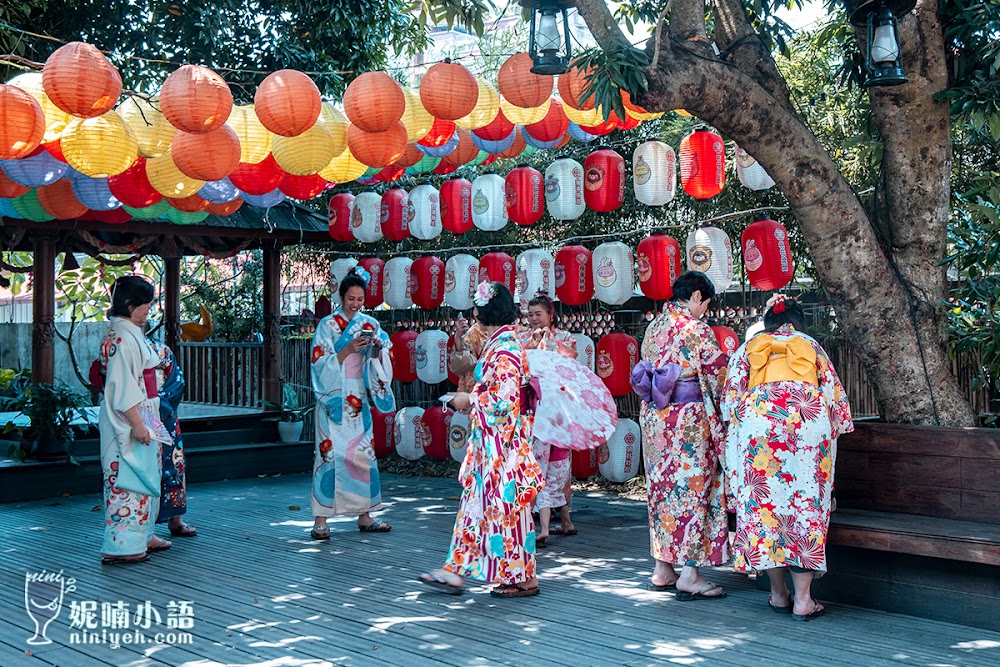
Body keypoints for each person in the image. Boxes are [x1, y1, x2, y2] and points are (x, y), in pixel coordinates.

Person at [722, 295, 853, 621]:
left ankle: (778, 594)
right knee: (804, 508)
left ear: (768, 324)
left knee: (766, 509)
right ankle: (803, 600)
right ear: (798, 321)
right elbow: (838, 407)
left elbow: (729, 403)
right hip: (807, 429)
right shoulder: (812, 346)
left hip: (758, 429)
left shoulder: (748, 349)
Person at [421, 282, 542, 598]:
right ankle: (455, 571)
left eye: (476, 310)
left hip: (502, 447)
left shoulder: (504, 350)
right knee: (480, 506)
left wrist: (468, 400)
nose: (473, 315)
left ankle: (521, 577)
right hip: (495, 445)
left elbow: (504, 401)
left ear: (482, 312)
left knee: (507, 511)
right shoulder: (502, 346)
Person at [632, 271, 729, 599]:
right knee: (693, 492)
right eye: (706, 303)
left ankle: (662, 568)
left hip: (655, 419)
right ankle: (690, 573)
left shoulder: (654, 326)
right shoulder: (697, 330)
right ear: (697, 297)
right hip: (688, 422)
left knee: (661, 492)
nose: (705, 311)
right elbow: (719, 378)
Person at [310, 266, 395, 539]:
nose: (355, 304)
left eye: (360, 299)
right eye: (350, 299)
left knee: (362, 455)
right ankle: (321, 518)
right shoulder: (327, 325)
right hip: (334, 394)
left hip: (358, 394)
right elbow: (319, 362)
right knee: (329, 455)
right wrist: (347, 348)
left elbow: (383, 358)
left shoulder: (370, 324)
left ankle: (365, 514)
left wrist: (378, 351)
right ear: (341, 297)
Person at [98, 276, 172, 564]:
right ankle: (122, 546)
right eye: (144, 306)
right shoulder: (121, 337)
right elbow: (121, 386)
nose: (147, 312)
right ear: (129, 305)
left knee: (146, 475)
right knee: (126, 480)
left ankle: (144, 534)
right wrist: (139, 424)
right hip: (129, 416)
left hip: (143, 409)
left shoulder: (127, 332)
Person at [518, 291, 577, 547]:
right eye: (530, 315)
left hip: (558, 406)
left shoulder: (563, 337)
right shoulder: (522, 337)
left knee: (561, 464)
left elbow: (571, 360)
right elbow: (518, 362)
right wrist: (532, 342)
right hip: (533, 408)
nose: (533, 319)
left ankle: (565, 518)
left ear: (550, 315)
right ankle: (531, 520)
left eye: (538, 314)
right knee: (535, 462)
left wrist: (551, 340)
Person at [149, 340, 196, 538]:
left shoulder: (161, 349)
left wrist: (159, 403)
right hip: (135, 409)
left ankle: (175, 518)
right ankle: (145, 524)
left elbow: (176, 380)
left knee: (174, 465)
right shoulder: (120, 345)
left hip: (163, 412)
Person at [450, 312, 488, 393]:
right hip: (476, 389)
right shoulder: (475, 331)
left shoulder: (515, 332)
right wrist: (458, 338)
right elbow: (461, 366)